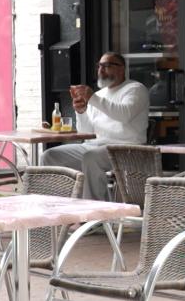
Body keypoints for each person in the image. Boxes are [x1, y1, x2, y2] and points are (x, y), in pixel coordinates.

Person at [40, 52, 149, 200]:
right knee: (50, 156)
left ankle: (94, 215)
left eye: (107, 65)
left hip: (127, 148)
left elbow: (124, 115)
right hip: (95, 146)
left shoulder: (135, 89)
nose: (101, 70)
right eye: (99, 66)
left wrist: (92, 98)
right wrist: (81, 112)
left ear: (121, 69)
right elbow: (86, 131)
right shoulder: (99, 95)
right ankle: (58, 208)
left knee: (91, 158)